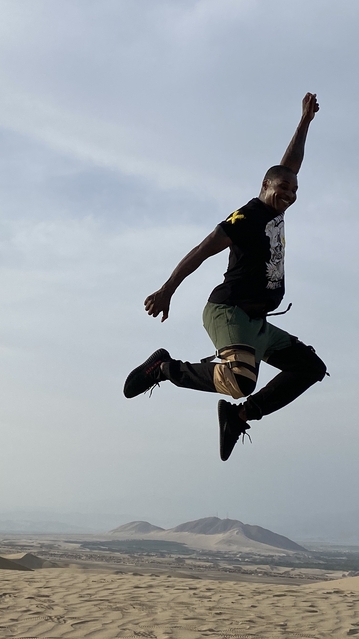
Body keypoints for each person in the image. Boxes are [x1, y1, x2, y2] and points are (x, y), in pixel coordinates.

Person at [123, 93, 327, 461]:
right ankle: (164, 368)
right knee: (240, 381)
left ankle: (239, 417)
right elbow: (204, 248)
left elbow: (289, 165)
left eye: (294, 190)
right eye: (283, 190)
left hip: (258, 324)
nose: (290, 196)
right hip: (228, 311)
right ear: (265, 187)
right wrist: (168, 289)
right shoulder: (247, 217)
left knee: (310, 367)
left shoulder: (275, 210)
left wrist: (304, 122)